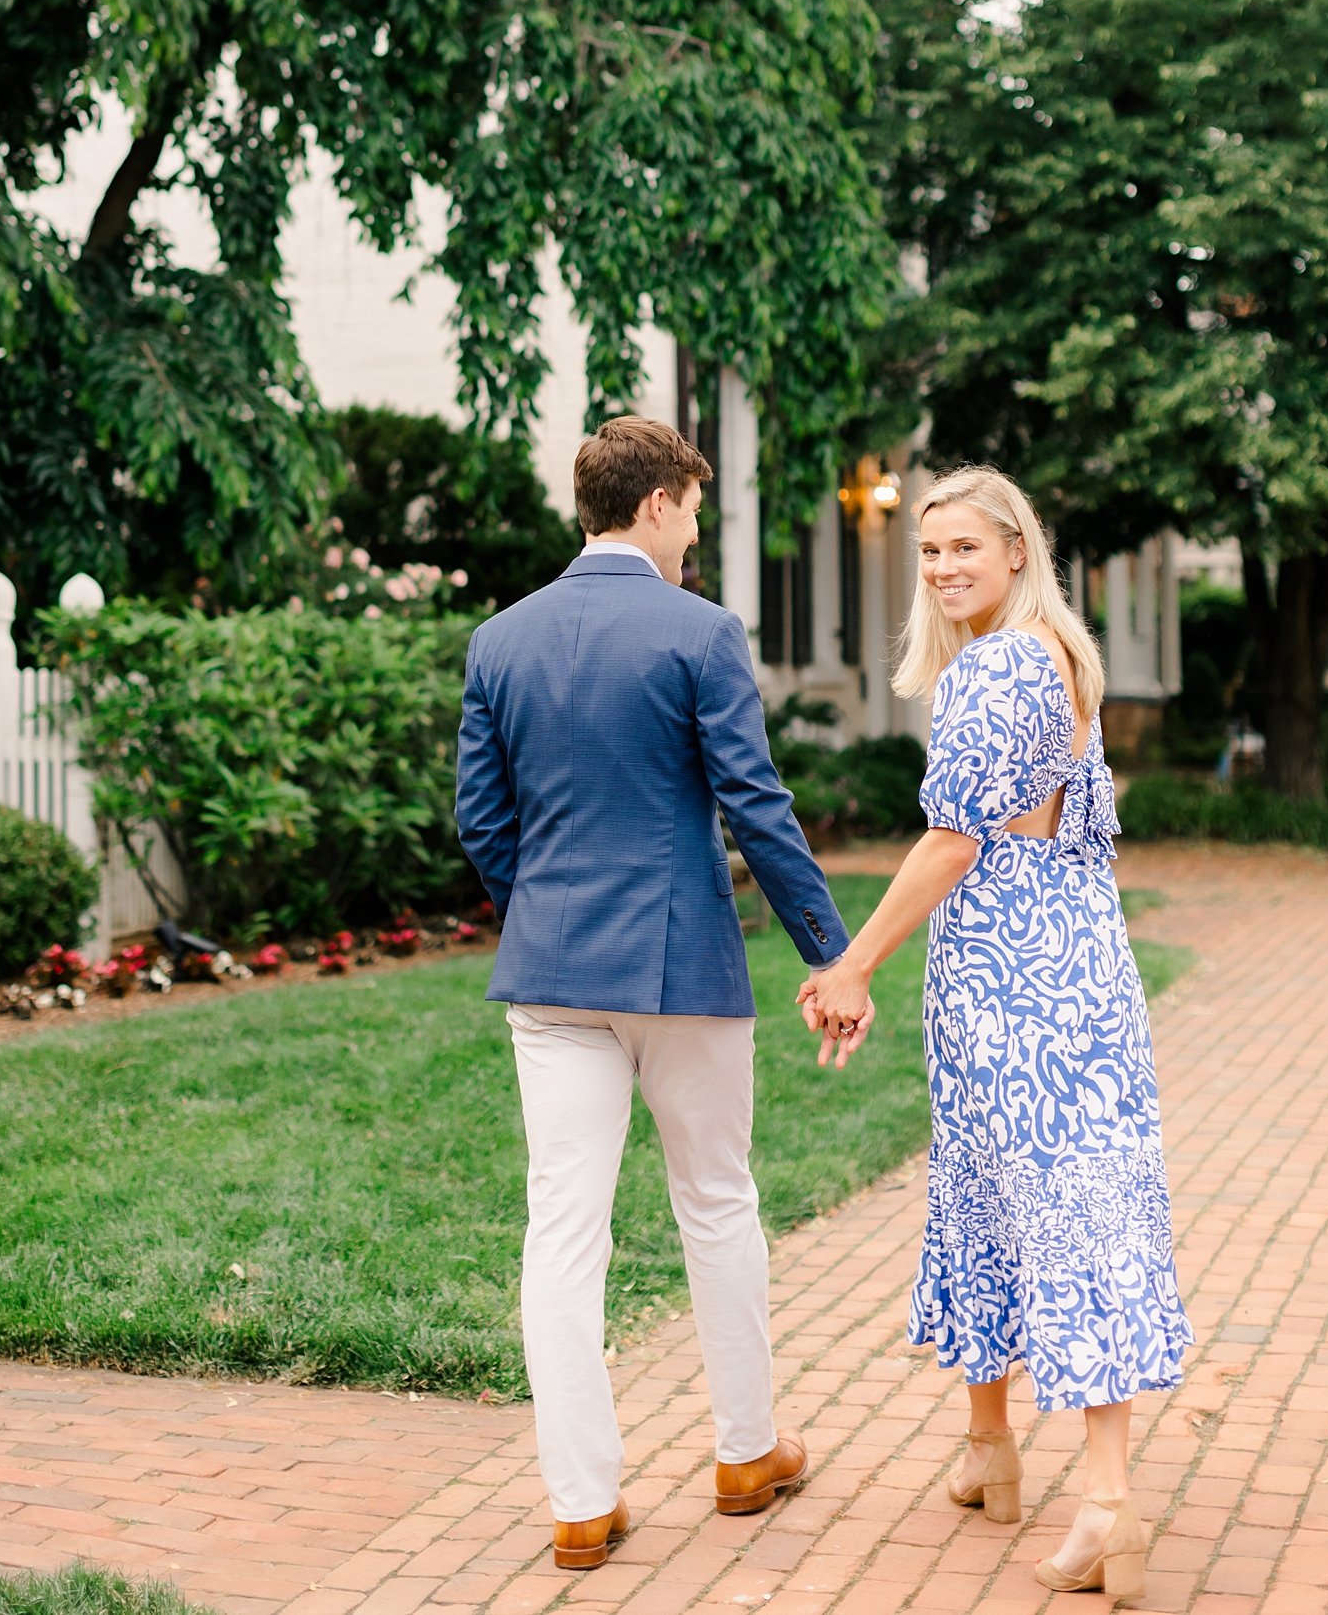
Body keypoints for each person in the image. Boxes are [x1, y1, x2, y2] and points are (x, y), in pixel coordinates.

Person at [456, 416, 870, 1571]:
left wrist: (539, 912)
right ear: (652, 506)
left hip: (551, 974)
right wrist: (827, 952)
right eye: (692, 509)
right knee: (718, 1202)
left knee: (563, 1227)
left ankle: (581, 1504)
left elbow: (482, 822)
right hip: (684, 967)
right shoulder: (701, 632)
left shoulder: (499, 639)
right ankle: (745, 1454)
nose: (695, 533)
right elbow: (755, 801)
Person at [800, 465, 1190, 1606]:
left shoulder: (997, 670)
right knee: (1007, 1197)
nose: (943, 568)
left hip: (1012, 986)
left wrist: (853, 961)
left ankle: (1108, 1501)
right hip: (1080, 974)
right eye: (928, 552)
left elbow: (952, 843)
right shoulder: (1065, 664)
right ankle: (989, 1445)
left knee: (1057, 1215)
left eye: (965, 547)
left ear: (1019, 551)